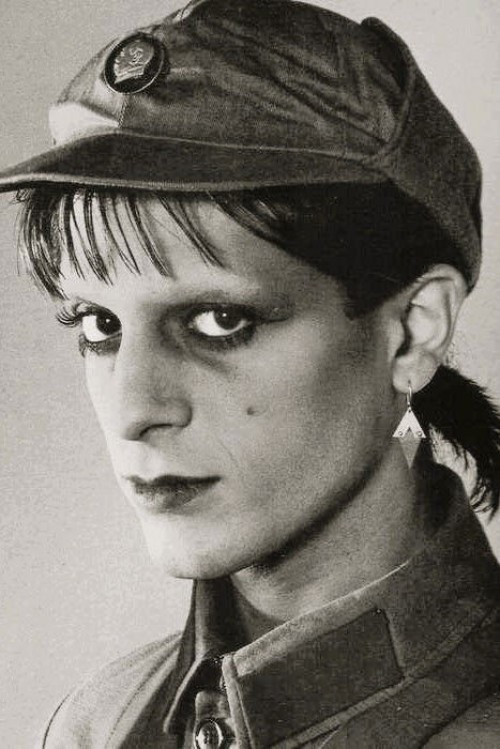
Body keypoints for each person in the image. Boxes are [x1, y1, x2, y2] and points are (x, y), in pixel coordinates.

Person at [1, 0, 499, 746]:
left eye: (219, 321)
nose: (134, 409)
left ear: (412, 331)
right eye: (99, 325)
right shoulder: (96, 723)